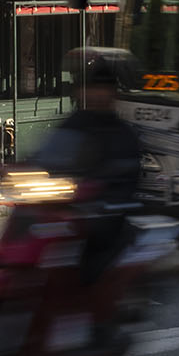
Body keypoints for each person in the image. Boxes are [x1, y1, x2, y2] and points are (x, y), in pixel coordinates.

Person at [33, 56, 145, 277]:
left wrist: (100, 188)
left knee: (89, 262)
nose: (97, 95)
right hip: (70, 207)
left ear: (113, 94)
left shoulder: (123, 134)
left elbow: (127, 173)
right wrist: (22, 167)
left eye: (103, 89)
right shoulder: (75, 122)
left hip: (105, 214)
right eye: (93, 88)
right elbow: (49, 151)